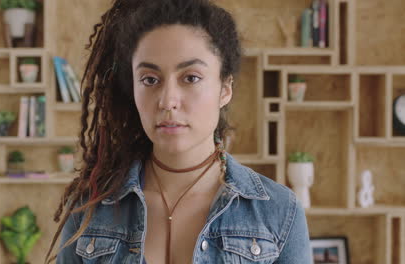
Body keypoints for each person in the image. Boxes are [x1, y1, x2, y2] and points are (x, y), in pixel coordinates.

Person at [45, 0, 313, 263]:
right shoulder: (90, 208)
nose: (167, 100)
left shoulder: (279, 211)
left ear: (225, 89)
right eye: (150, 80)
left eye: (191, 78)